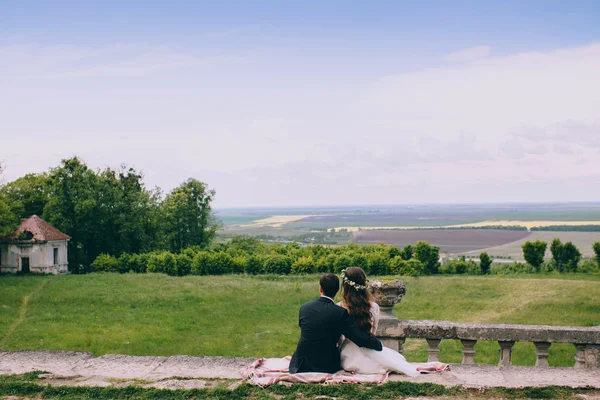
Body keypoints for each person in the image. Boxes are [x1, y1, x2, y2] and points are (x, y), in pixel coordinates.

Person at [337, 267, 449, 376]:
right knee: (393, 360)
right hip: (370, 347)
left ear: (345, 286)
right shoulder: (374, 307)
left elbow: (340, 337)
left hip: (348, 354)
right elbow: (373, 332)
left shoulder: (340, 307)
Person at [289, 273, 383, 374]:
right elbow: (359, 338)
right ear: (337, 290)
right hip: (325, 365)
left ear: (320, 289)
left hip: (300, 364)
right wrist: (378, 344)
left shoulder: (304, 308)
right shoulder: (339, 312)